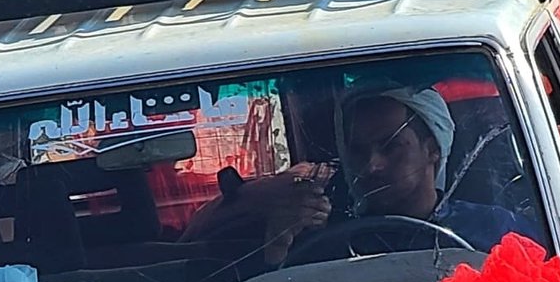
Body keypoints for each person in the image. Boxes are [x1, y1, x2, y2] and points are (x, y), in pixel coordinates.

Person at [182, 83, 541, 267]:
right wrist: (277, 244)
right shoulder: (322, 241)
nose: (372, 166)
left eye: (390, 147)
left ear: (433, 149)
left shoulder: (495, 232)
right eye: (357, 151)